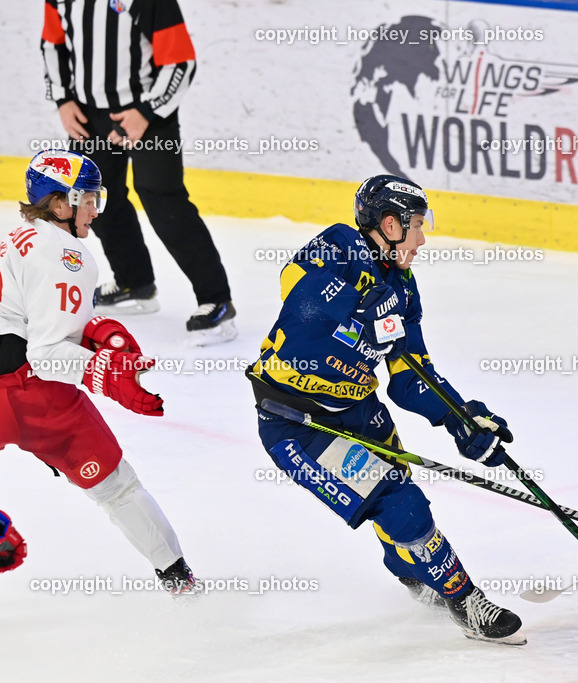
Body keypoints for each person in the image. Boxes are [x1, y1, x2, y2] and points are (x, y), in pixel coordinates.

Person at [247, 175, 524, 645]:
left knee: (398, 502)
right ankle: (464, 599)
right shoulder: (336, 250)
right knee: (402, 504)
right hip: (298, 424)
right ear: (389, 224)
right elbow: (299, 312)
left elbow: (411, 373)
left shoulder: (403, 285)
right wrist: (360, 313)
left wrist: (461, 419)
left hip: (358, 409)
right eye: (416, 225)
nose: (422, 238)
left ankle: (416, 576)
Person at [0, 149, 198, 595]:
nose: (95, 208)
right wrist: (106, 370)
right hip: (36, 396)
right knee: (119, 490)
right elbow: (47, 353)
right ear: (57, 204)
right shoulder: (69, 255)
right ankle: (183, 588)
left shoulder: (15, 238)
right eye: (86, 198)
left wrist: (93, 328)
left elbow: (30, 318)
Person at [40, 0, 236, 345]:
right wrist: (63, 99)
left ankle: (216, 300)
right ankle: (135, 283)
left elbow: (180, 61)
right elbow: (53, 44)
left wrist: (146, 111)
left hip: (150, 115)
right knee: (90, 197)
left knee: (163, 200)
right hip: (88, 115)